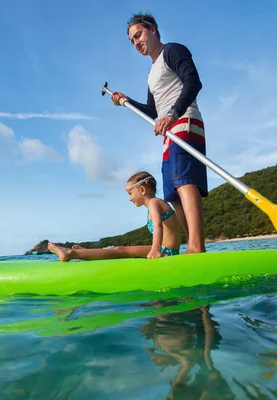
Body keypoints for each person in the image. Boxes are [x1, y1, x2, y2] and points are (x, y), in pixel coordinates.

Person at [110, 13, 208, 254]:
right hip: (168, 130)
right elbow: (153, 110)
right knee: (173, 193)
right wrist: (127, 101)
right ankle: (191, 246)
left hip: (184, 120)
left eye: (139, 35)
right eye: (132, 40)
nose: (136, 42)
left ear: (152, 29)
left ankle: (197, 246)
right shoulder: (151, 73)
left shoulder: (172, 51)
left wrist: (174, 113)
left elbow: (193, 82)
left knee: (184, 182)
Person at [48, 171, 181, 261]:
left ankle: (71, 253)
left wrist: (155, 250)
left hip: (166, 252)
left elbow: (158, 226)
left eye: (130, 193)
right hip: (165, 250)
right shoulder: (154, 205)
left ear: (142, 190)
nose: (130, 199)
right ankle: (87, 253)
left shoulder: (155, 203)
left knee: (120, 250)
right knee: (120, 250)